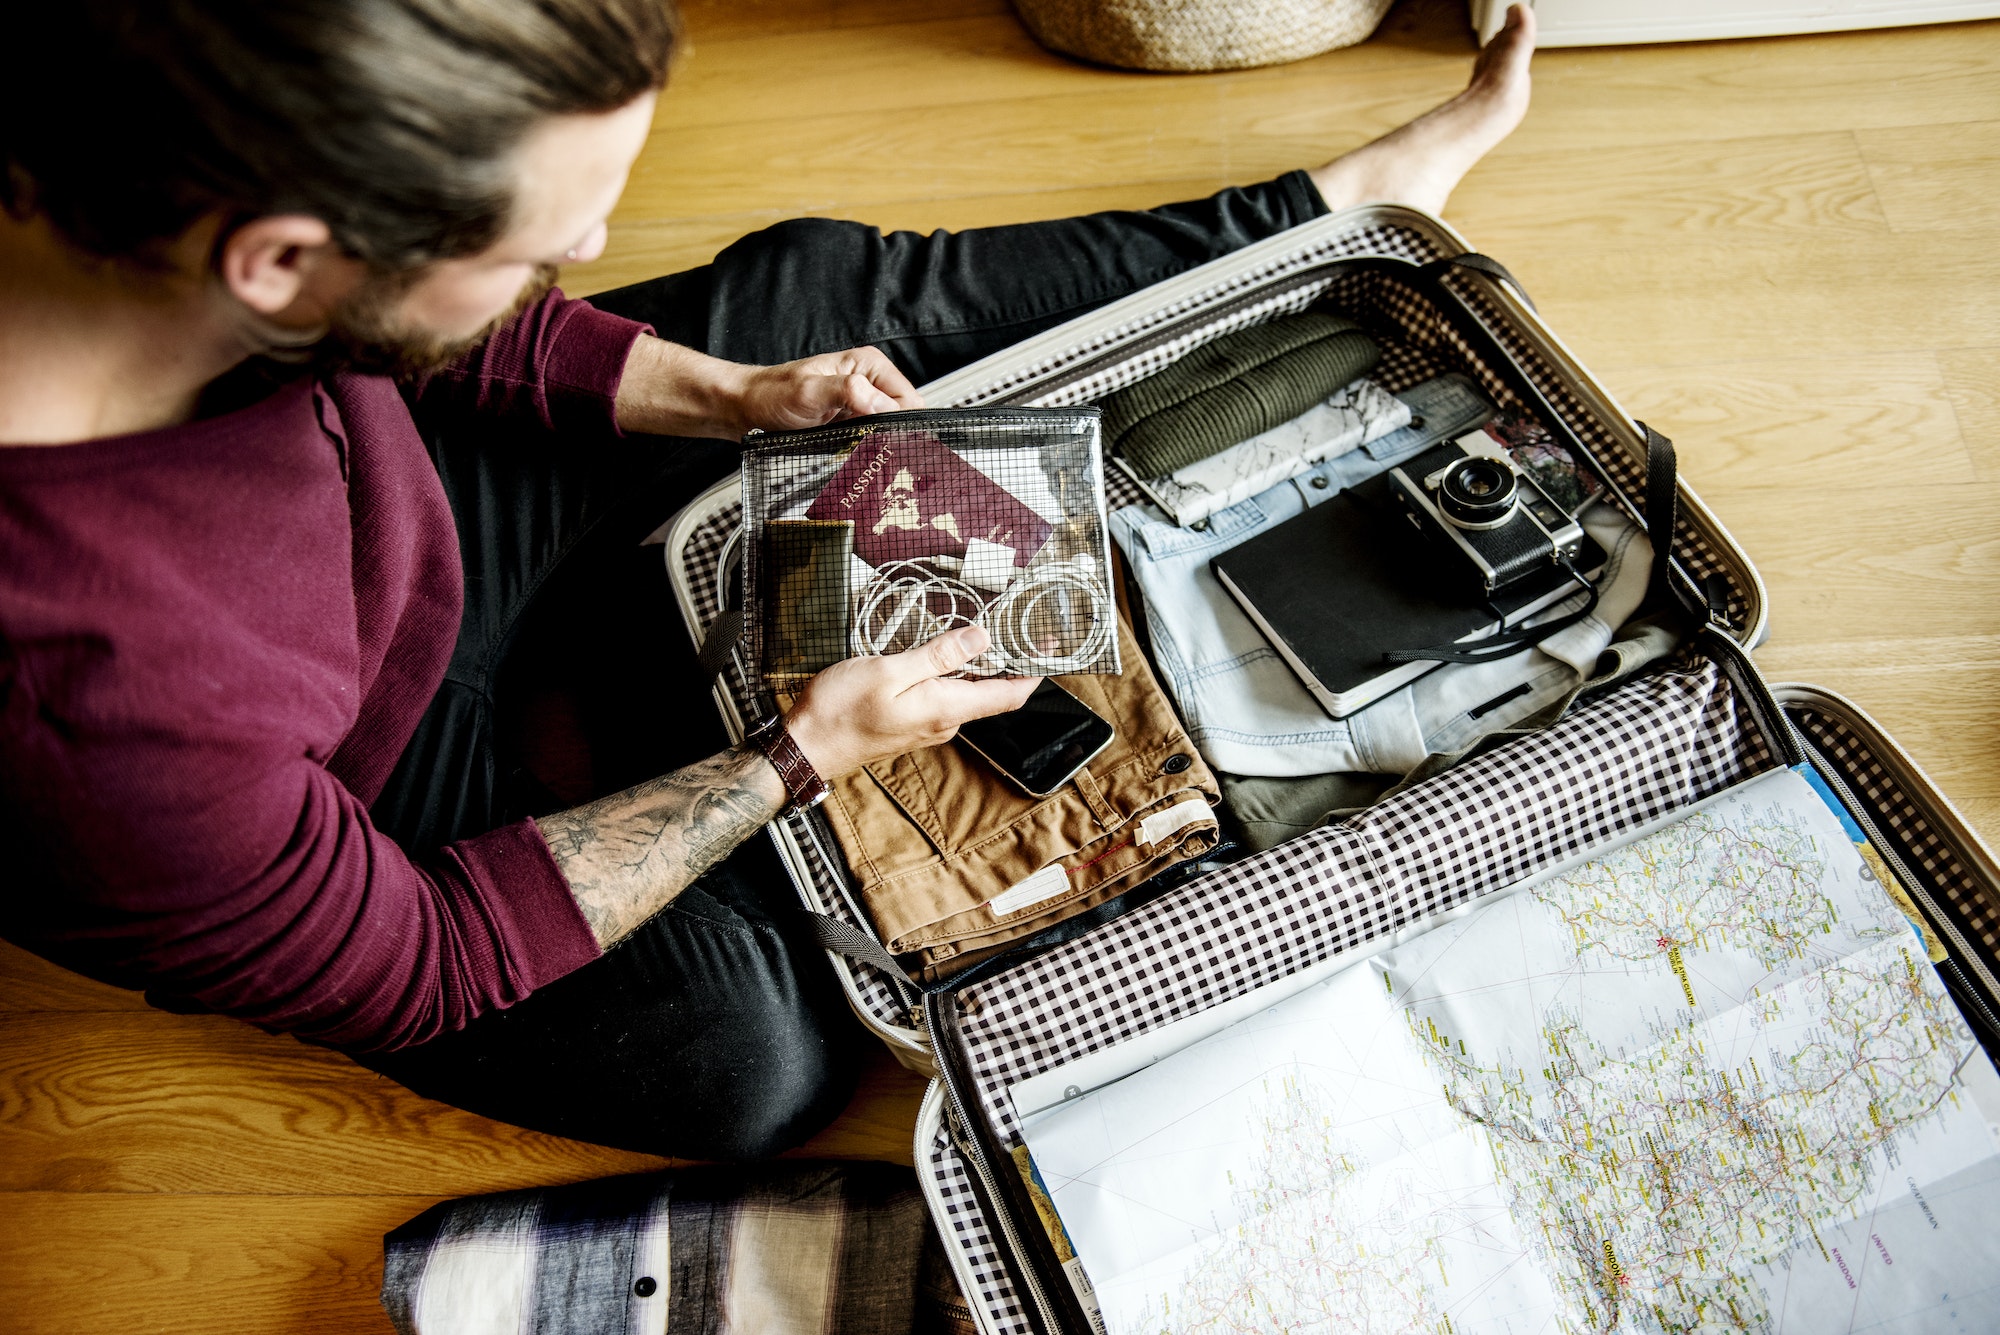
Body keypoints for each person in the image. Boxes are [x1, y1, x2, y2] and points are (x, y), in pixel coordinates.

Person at [0, 0, 1537, 1158]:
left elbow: (447, 335)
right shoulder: (86, 704)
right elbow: (422, 952)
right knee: (751, 1059)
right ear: (282, 262)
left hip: (402, 488)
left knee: (801, 297)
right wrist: (802, 757)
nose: (594, 248)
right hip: (360, 783)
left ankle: (1315, 216)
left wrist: (739, 401)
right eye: (542, 248)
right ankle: (680, 682)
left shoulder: (163, 154)